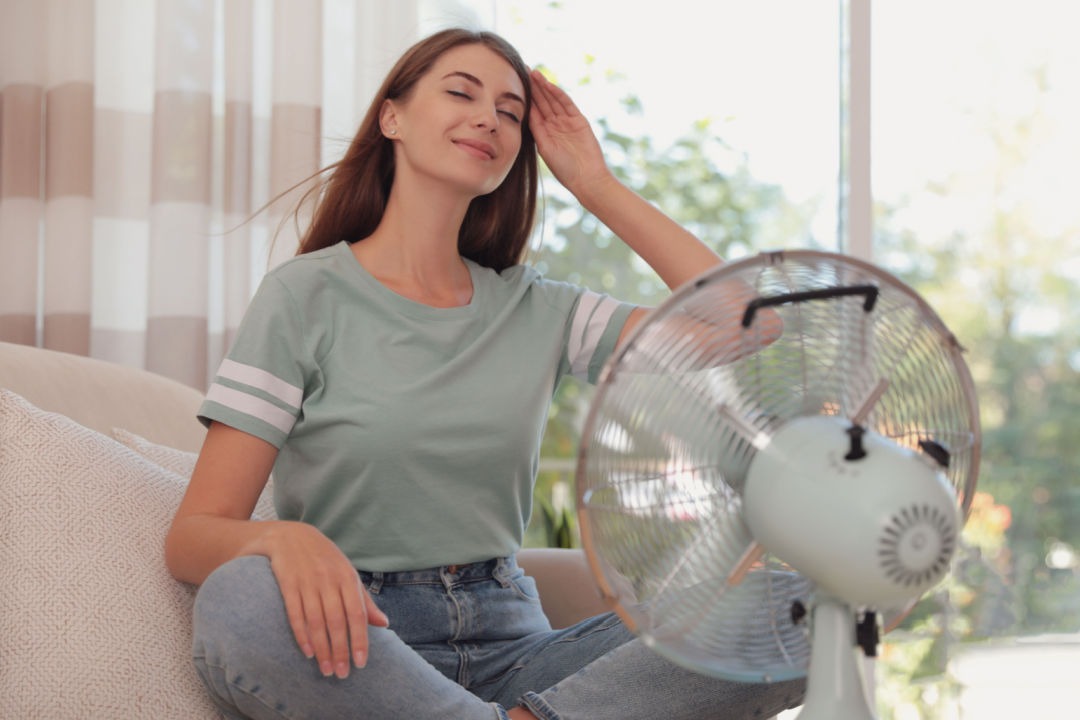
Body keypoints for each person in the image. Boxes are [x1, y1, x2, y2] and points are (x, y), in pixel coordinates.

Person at [165, 27, 804, 720]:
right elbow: (194, 533)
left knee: (812, 604)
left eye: (509, 111)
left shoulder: (538, 310)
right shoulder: (304, 297)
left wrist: (595, 184)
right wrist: (283, 537)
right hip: (358, 645)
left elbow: (752, 323)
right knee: (240, 602)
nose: (486, 119)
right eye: (461, 93)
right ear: (393, 117)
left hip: (520, 657)